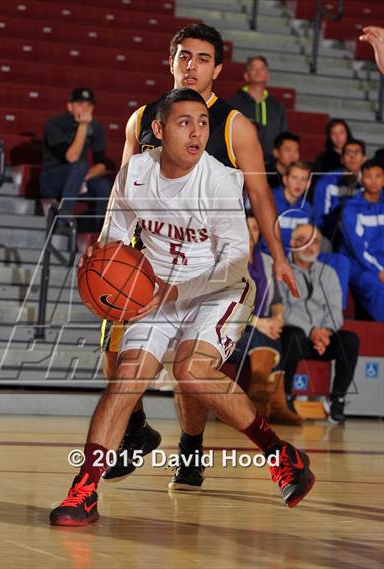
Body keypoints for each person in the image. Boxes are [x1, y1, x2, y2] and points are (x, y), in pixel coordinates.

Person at [49, 89, 315, 526]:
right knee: (125, 380)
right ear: (158, 129)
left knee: (191, 370)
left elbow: (235, 263)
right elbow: (113, 237)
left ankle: (280, 454)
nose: (196, 132)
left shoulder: (219, 181)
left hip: (218, 288)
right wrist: (98, 261)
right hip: (155, 287)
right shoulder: (135, 172)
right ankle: (85, 491)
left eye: (203, 123)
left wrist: (173, 292)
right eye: (184, 122)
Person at [102, 24, 299, 489]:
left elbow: (261, 195)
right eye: (184, 56)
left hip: (206, 263)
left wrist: (279, 255)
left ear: (218, 69)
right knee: (115, 350)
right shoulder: (141, 119)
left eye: (203, 58)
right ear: (169, 61)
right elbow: (124, 188)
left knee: (190, 367)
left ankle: (190, 451)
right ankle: (134, 430)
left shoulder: (233, 126)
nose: (192, 65)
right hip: (148, 254)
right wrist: (109, 248)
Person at [280, 224, 360, 424]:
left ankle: (337, 399)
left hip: (321, 340)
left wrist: (325, 332)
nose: (310, 246)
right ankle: (285, 397)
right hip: (293, 337)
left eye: (315, 241)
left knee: (350, 340)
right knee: (293, 335)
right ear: (292, 243)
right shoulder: (280, 270)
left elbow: (335, 311)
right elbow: (281, 310)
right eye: (303, 240)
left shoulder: (329, 273)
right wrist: (311, 331)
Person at [227, 215, 301, 425]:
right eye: (247, 227)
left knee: (279, 336)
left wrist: (277, 318)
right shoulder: (230, 260)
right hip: (231, 329)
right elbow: (229, 304)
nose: (251, 232)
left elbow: (277, 299)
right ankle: (264, 395)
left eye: (256, 228)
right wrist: (259, 322)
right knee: (259, 335)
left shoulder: (268, 261)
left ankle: (273, 406)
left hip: (261, 328)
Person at [40, 87, 112, 229]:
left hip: (77, 179)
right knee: (79, 165)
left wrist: (83, 178)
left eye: (89, 105)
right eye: (80, 104)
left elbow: (101, 164)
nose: (85, 109)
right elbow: (72, 157)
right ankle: (62, 221)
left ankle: (101, 234)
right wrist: (83, 126)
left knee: (103, 185)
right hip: (51, 180)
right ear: (70, 106)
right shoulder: (54, 124)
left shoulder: (96, 127)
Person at [340, 159, 384, 321]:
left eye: (378, 176)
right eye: (368, 176)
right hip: (362, 267)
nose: (373, 181)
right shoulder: (351, 208)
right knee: (379, 290)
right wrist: (379, 270)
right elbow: (357, 249)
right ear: (361, 178)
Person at [229, 56, 288, 161]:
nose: (258, 71)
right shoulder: (233, 104)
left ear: (267, 75)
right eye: (253, 68)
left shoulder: (278, 106)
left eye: (262, 68)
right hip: (241, 162)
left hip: (271, 165)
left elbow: (283, 138)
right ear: (246, 76)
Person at [313, 139, 366, 244]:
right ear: (342, 159)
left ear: (364, 159)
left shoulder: (371, 182)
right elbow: (319, 217)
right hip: (331, 235)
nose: (352, 157)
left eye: (357, 153)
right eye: (348, 153)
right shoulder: (326, 181)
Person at [260, 161, 314, 254]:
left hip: (294, 258)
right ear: (285, 179)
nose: (299, 183)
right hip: (267, 256)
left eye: (303, 179)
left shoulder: (307, 208)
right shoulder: (269, 200)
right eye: (294, 178)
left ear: (308, 184)